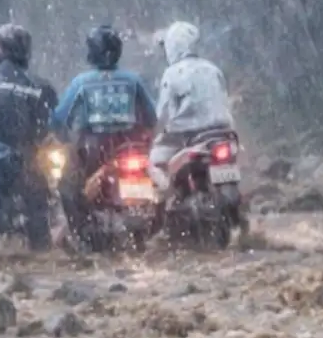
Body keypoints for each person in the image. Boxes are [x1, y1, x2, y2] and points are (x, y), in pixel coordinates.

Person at [51, 25, 158, 241]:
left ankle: (80, 233)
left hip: (92, 151)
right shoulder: (133, 80)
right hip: (130, 148)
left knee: (66, 187)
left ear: (92, 51)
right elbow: (151, 118)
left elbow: (59, 119)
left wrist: (63, 138)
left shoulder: (81, 82)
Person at [0, 24, 58, 257]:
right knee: (38, 214)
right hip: (29, 158)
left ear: (1, 50)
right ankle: (43, 253)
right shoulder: (42, 85)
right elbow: (50, 124)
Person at [149, 21, 235, 187]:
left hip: (187, 135)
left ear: (172, 47)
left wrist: (154, 131)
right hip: (223, 131)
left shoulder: (172, 74)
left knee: (155, 162)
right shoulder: (213, 69)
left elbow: (163, 112)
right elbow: (223, 98)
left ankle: (166, 199)